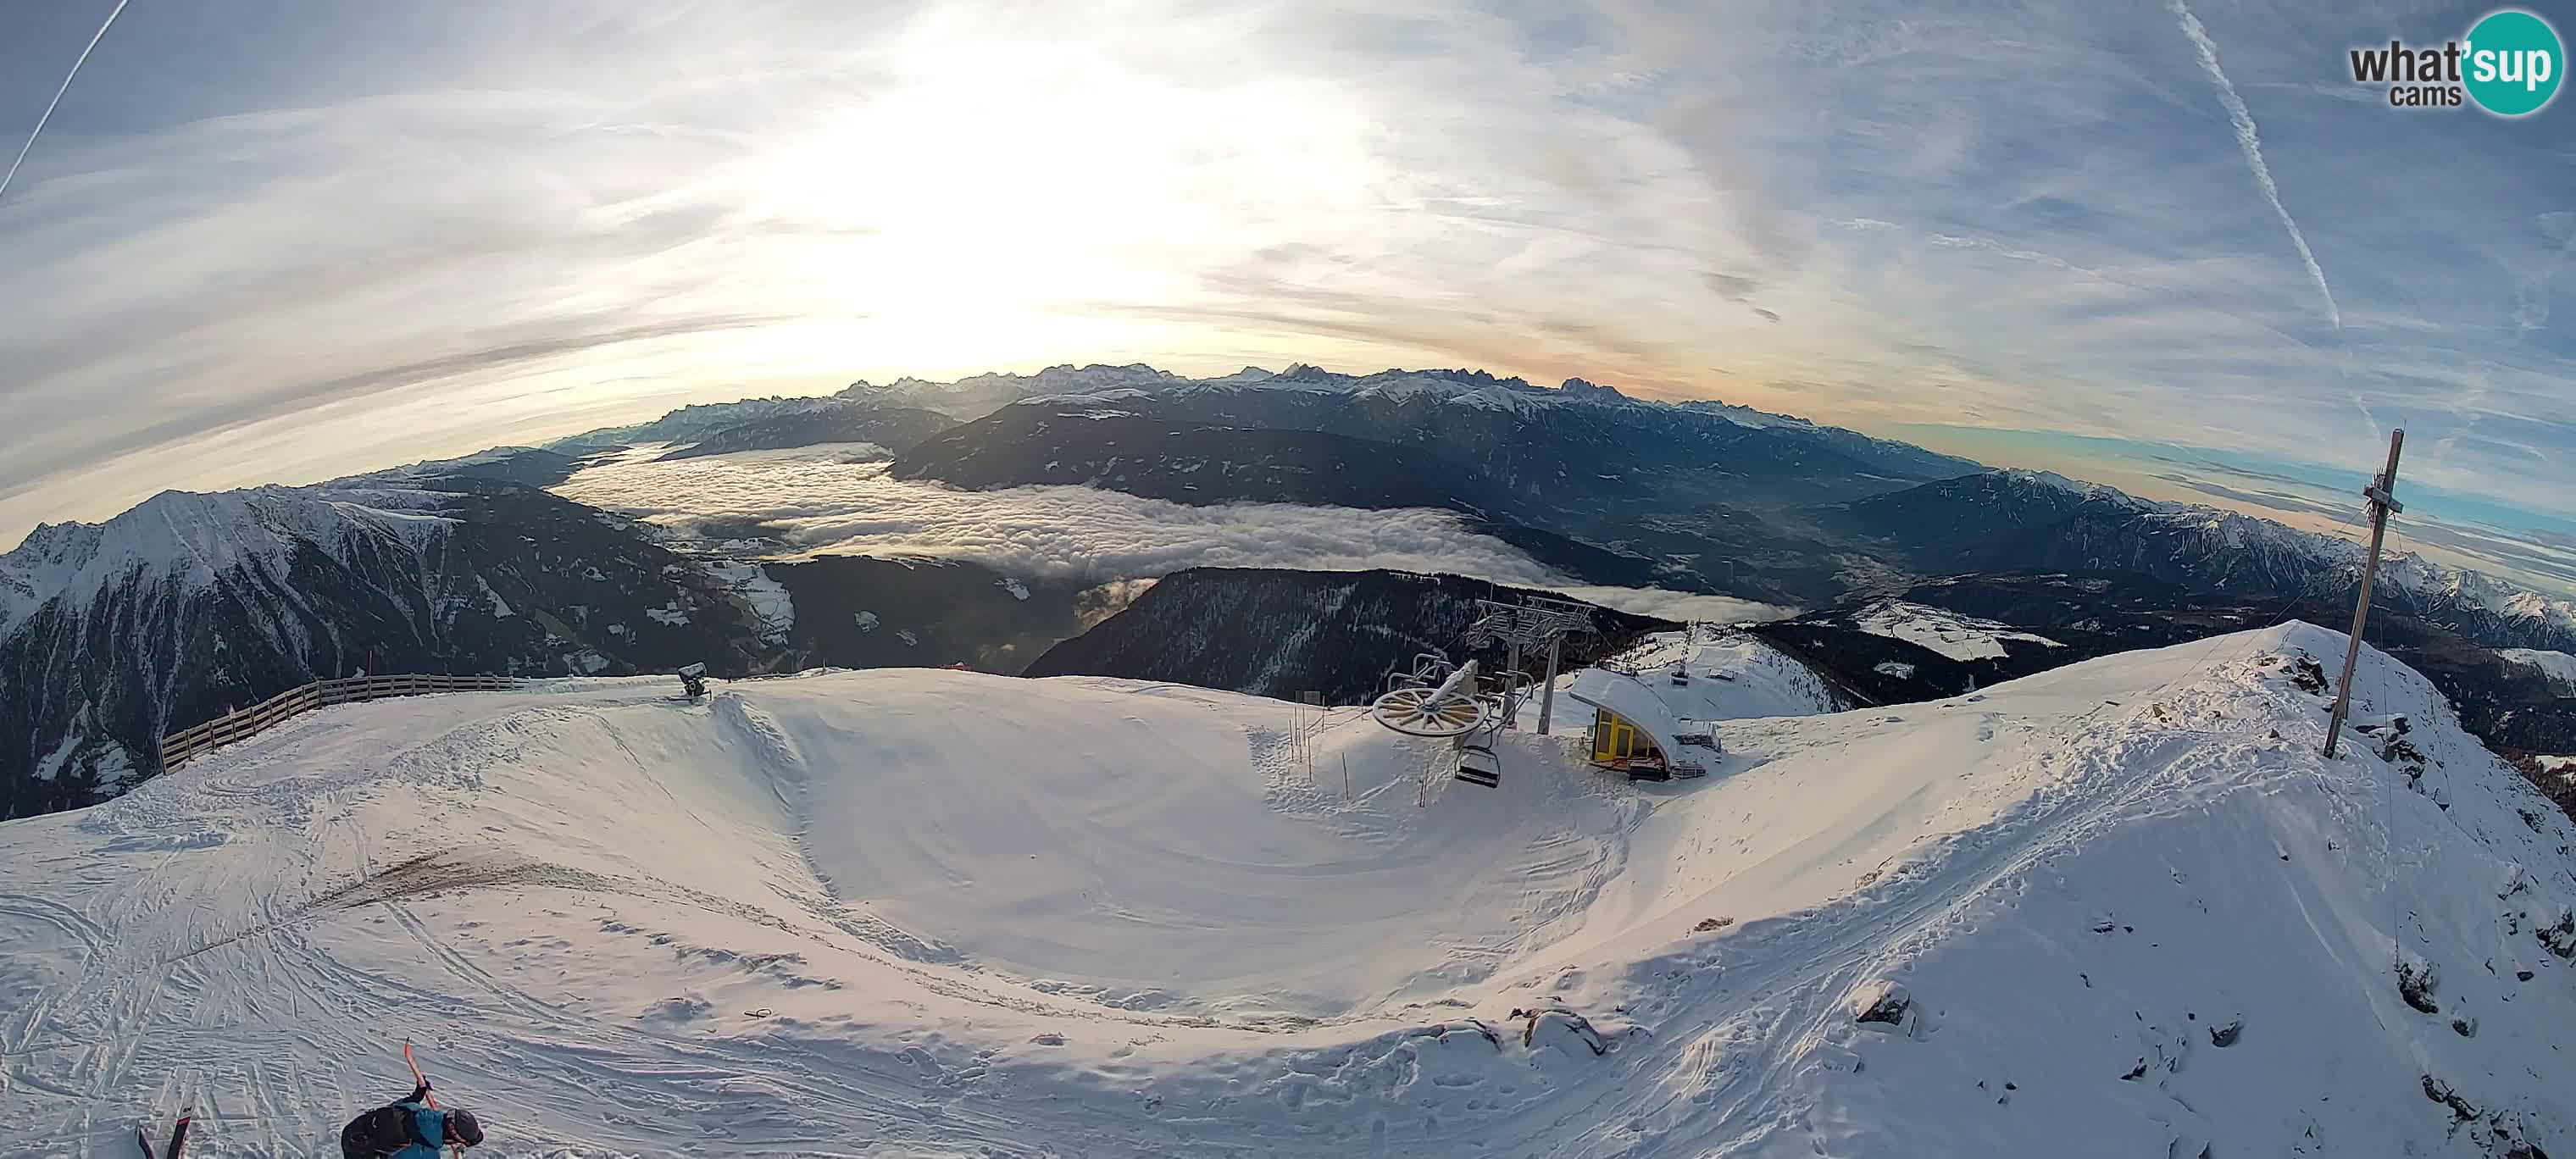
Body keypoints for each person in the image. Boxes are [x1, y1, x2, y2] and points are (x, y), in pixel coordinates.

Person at [339, 1080, 482, 1158]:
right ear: (451, 1139)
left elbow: (398, 1105)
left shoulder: (416, 1110)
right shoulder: (425, 1152)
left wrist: (417, 1096)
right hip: (358, 1149)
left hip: (357, 1126)